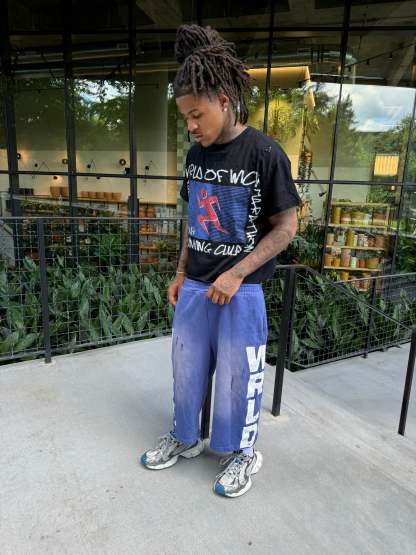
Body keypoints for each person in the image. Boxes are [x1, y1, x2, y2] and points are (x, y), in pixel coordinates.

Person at [140, 24, 300, 498]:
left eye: (197, 114)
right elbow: (193, 219)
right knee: (186, 371)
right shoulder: (196, 156)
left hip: (241, 291)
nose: (191, 125)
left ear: (224, 100)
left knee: (238, 378)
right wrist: (181, 272)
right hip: (196, 287)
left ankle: (242, 452)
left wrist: (236, 273)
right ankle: (185, 437)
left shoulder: (265, 153)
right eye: (185, 117)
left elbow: (287, 227)